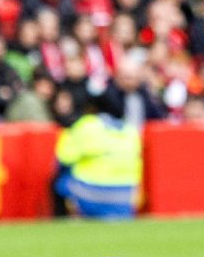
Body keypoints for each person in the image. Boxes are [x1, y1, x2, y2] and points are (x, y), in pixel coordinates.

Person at [52, 91, 141, 219]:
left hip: (91, 195)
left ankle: (68, 217)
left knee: (61, 180)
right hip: (125, 198)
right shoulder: (130, 131)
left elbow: (63, 158)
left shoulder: (86, 125)